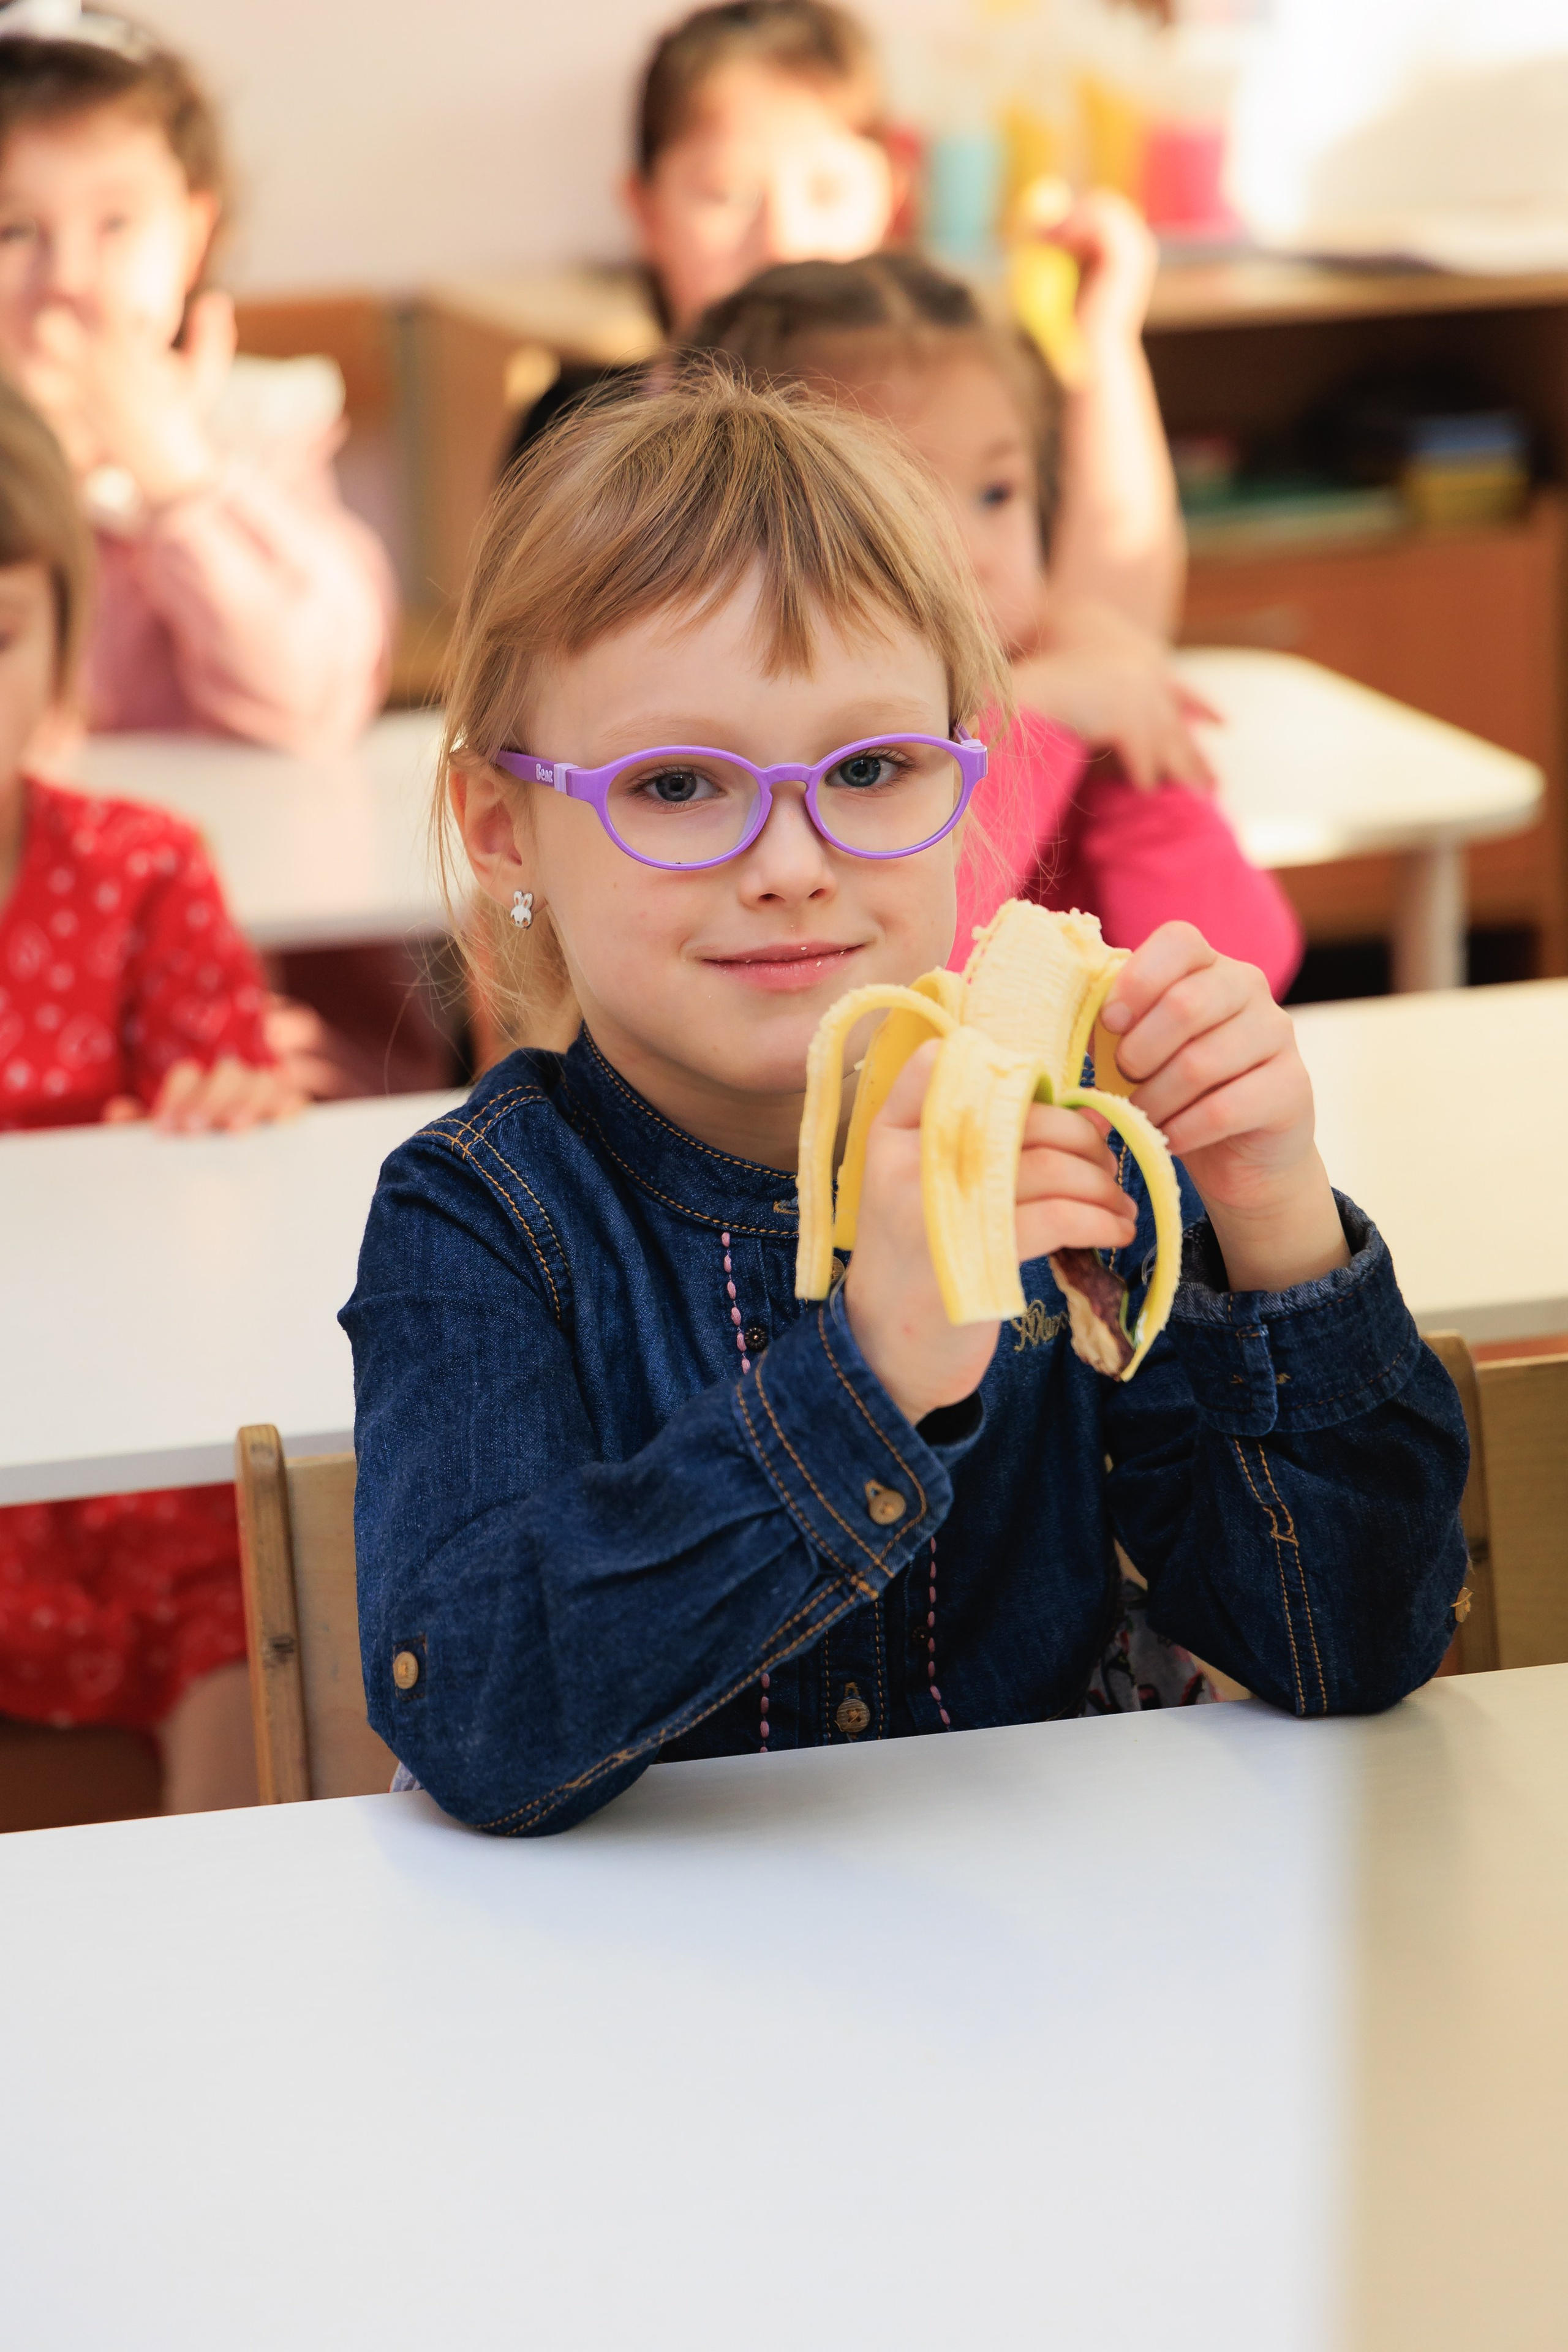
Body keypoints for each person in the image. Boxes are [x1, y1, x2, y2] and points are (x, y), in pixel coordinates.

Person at [343, 372, 1467, 1837]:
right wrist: (859, 1376)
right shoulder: (479, 1220)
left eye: (869, 768)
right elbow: (479, 1715)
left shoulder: (1082, 1166)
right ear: (507, 829)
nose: (793, 859)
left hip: (1037, 1970)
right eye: (680, 783)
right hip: (630, 2006)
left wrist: (1273, 1220)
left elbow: (1349, 1645)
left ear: (970, 777)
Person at [688, 252, 1302, 994]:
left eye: (997, 492)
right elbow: (894, 991)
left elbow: (1239, 970)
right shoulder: (767, 741)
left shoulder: (1062, 669)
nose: (974, 554)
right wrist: (1029, 719)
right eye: (904, 501)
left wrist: (1136, 762)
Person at [0, 374, 300, 1809]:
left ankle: (243, 1975)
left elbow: (233, 1119)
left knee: (255, 1589)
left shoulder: (140, 868)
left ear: (61, 640)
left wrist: (227, 1109)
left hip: (119, 1438)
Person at [510, 1, 1184, 638]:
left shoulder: (960, 400)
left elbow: (1116, 627)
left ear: (891, 198)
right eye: (726, 194)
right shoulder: (579, 435)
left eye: (827, 190)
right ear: (647, 211)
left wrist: (1107, 339)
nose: (783, 237)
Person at [0, 2, 394, 752]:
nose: (67, 281)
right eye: (15, 231)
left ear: (192, 235)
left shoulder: (254, 432)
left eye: (114, 224)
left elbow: (313, 702)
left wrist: (175, 477)